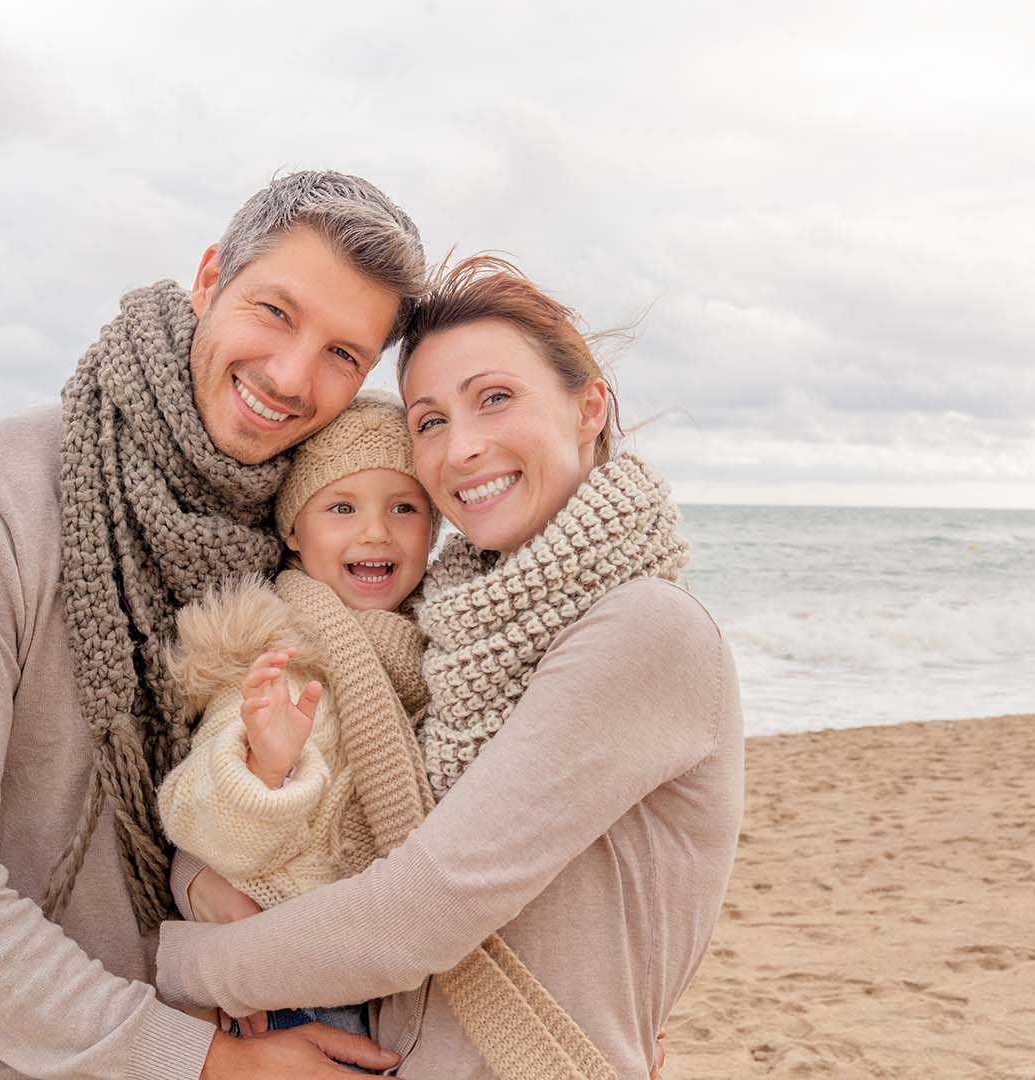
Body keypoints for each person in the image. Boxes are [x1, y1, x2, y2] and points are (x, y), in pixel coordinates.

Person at [0, 171, 426, 1079]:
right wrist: (200, 1061)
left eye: (342, 355)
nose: (290, 376)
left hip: (271, 1032)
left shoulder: (315, 527)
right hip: (20, 1061)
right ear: (208, 279)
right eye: (274, 311)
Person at [158, 256, 745, 1080]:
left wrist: (177, 961)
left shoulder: (642, 631)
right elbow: (331, 808)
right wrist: (198, 881)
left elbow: (417, 914)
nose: (461, 447)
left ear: (587, 406)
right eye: (428, 421)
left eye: (494, 398)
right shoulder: (448, 637)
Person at [157, 391, 437, 1043]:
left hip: (389, 986)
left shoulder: (435, 655)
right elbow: (196, 823)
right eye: (341, 507)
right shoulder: (275, 660)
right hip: (291, 987)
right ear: (292, 530)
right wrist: (262, 765)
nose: (376, 532)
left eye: (404, 507)